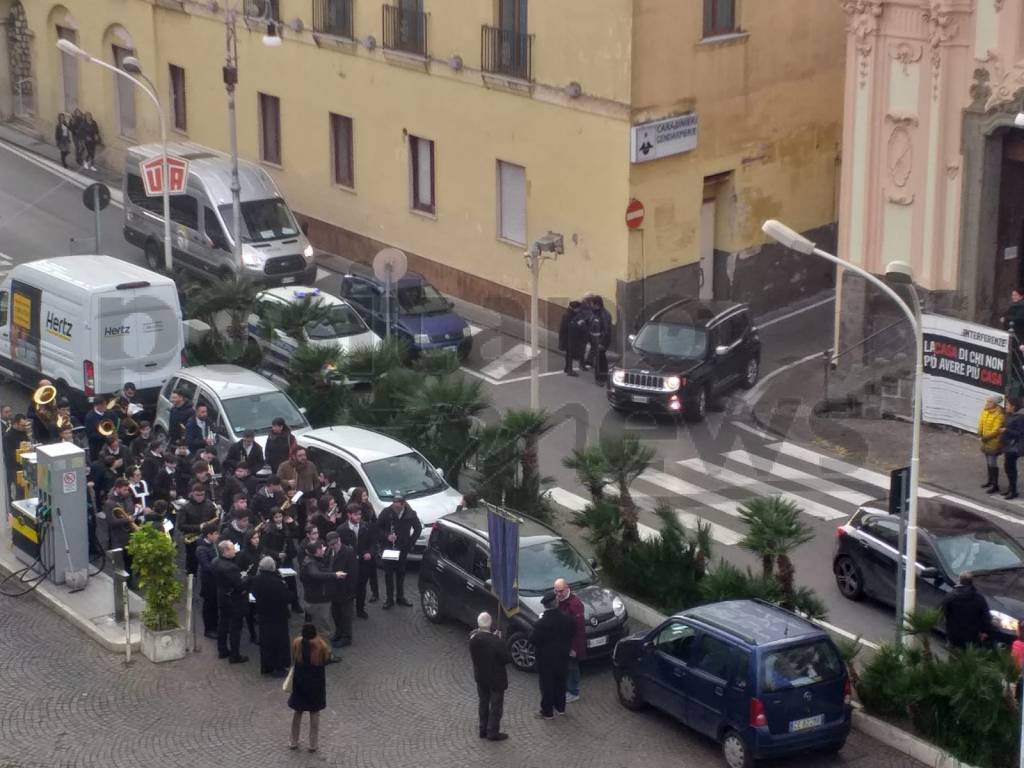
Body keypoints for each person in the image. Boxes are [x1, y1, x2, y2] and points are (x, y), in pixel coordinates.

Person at [529, 591, 575, 719]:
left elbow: (533, 639)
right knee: (561, 683)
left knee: (547, 686)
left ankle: (547, 712)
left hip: (546, 661)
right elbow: (573, 632)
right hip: (563, 657)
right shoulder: (567, 618)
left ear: (545, 606)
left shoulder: (541, 623)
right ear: (557, 602)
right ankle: (561, 708)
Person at [288, 623, 330, 753]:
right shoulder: (321, 646)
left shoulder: (296, 643)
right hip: (316, 682)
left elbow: (293, 659)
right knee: (314, 712)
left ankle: (294, 741)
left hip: (300, 681)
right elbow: (326, 660)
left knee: (298, 711)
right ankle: (313, 743)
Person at [469, 612, 511, 741]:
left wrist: (494, 638)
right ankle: (492, 732)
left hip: (481, 677)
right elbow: (506, 658)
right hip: (496, 678)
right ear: (490, 623)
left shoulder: (473, 638)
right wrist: (499, 639)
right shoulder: (496, 641)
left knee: (483, 703)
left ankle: (483, 729)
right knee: (496, 706)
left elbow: (482, 639)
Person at [376, 495, 422, 609]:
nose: (395, 509)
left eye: (398, 507)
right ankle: (389, 599)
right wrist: (387, 536)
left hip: (402, 548)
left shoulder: (411, 514)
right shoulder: (387, 512)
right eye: (393, 505)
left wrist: (410, 543)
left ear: (403, 504)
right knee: (388, 574)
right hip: (389, 548)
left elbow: (418, 529)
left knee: (401, 573)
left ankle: (400, 597)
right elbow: (377, 528)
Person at [212, 539, 253, 663]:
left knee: (223, 624)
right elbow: (240, 585)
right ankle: (235, 655)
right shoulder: (230, 567)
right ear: (225, 551)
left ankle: (222, 650)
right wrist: (246, 578)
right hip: (234, 600)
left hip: (222, 596)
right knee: (235, 627)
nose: (235, 550)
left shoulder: (216, 561)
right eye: (232, 548)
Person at [300, 539, 345, 650]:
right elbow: (316, 574)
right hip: (319, 601)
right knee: (323, 629)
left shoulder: (310, 560)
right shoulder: (311, 564)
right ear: (317, 551)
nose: (324, 548)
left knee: (314, 626)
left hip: (313, 598)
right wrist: (335, 575)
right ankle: (325, 654)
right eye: (322, 547)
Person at [252, 556, 292, 677]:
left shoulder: (257, 580)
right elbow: (287, 597)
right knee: (279, 642)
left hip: (263, 615)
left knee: (266, 642)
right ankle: (279, 667)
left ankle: (267, 666)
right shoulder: (277, 582)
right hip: (278, 616)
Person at [338, 503, 376, 619]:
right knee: (349, 587)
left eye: (359, 514)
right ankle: (347, 609)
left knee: (362, 587)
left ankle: (360, 609)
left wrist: (370, 552)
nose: (358, 517)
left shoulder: (366, 526)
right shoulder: (342, 529)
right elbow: (339, 548)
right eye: (356, 515)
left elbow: (373, 543)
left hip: (363, 563)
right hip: (349, 564)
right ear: (349, 515)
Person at [554, 577, 586, 702]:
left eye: (560, 591)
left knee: (572, 667)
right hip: (563, 643)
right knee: (566, 667)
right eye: (556, 591)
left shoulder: (575, 605)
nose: (558, 594)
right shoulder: (560, 600)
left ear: (567, 588)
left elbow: (579, 630)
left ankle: (573, 691)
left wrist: (574, 648)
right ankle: (568, 688)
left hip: (572, 644)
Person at [942, 572, 992, 650]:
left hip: (954, 633)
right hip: (972, 634)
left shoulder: (951, 596)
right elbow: (986, 616)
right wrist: (985, 631)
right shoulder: (979, 598)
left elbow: (945, 612)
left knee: (953, 655)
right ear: (972, 582)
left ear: (960, 581)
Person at [325, 530, 356, 648]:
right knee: (336, 614)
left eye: (336, 543)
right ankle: (338, 633)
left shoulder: (348, 552)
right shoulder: (329, 551)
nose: (334, 546)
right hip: (334, 589)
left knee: (345, 615)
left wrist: (350, 592)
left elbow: (353, 574)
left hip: (345, 590)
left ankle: (346, 637)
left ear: (339, 540)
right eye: (331, 544)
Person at [178, 483, 218, 575]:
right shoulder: (185, 507)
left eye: (202, 495)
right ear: (192, 493)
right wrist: (199, 527)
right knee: (192, 560)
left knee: (209, 559)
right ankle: (191, 578)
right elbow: (181, 525)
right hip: (192, 538)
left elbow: (215, 520)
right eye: (197, 495)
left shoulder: (210, 504)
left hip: (207, 538)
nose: (200, 497)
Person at [349, 487, 380, 602]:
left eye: (366, 495)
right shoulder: (352, 508)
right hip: (360, 542)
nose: (365, 497)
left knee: (372, 569)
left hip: (370, 539)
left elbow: (374, 520)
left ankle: (375, 592)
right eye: (363, 495)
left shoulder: (368, 505)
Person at [195, 523, 221, 639]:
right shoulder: (201, 549)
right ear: (209, 535)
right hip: (208, 582)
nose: (217, 536)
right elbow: (207, 566)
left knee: (215, 605)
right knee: (209, 606)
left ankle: (215, 626)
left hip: (216, 581)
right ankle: (209, 629)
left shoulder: (214, 545)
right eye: (215, 534)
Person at [979, 395, 1005, 495]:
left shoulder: (999, 415)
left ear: (995, 404)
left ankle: (995, 485)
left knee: (992, 463)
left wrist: (985, 437)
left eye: (990, 402)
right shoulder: (985, 411)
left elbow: (996, 430)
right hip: (985, 441)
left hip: (993, 442)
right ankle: (990, 481)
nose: (987, 403)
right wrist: (979, 432)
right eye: (987, 401)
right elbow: (981, 422)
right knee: (988, 462)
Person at [558, 300, 588, 377]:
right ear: (575, 308)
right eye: (578, 308)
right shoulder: (568, 315)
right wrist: (578, 324)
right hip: (569, 338)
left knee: (569, 354)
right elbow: (569, 327)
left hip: (569, 338)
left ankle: (567, 368)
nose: (579, 310)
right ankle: (569, 370)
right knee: (570, 354)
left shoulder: (569, 314)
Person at [587, 295, 612, 385]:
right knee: (601, 358)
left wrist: (601, 343)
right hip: (596, 340)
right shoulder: (595, 312)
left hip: (601, 341)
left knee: (599, 360)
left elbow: (606, 330)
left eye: (592, 304)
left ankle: (600, 379)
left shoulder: (604, 315)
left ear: (597, 304)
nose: (591, 305)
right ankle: (604, 376)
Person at [1002, 397, 1024, 500]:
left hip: (1013, 446)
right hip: (1007, 445)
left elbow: (1019, 433)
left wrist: (1006, 430)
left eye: (1008, 405)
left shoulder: (1019, 417)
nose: (1006, 406)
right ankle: (1011, 488)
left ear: (1013, 407)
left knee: (1010, 468)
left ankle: (1013, 491)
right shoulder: (1009, 415)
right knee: (1007, 467)